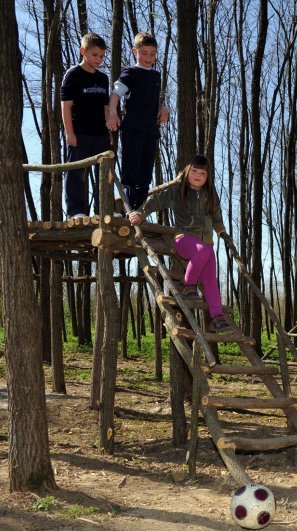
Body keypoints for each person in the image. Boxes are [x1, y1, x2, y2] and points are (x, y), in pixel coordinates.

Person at [128, 155, 231, 334]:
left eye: (202, 173)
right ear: (187, 172)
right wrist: (141, 213)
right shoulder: (178, 191)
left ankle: (217, 318)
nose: (198, 175)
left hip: (206, 243)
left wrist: (222, 232)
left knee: (210, 281)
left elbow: (216, 215)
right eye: (194, 171)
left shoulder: (210, 194)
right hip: (184, 239)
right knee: (202, 252)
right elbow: (156, 201)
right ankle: (189, 285)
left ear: (207, 177)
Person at [106, 32, 170, 210]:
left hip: (151, 130)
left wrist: (162, 107)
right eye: (144, 53)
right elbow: (116, 93)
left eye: (152, 53)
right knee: (131, 172)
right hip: (133, 128)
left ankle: (139, 211)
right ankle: (128, 209)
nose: (148, 57)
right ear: (135, 51)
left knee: (145, 174)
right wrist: (112, 113)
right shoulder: (131, 72)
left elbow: (154, 98)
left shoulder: (156, 75)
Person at [60, 33, 111, 219]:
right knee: (75, 172)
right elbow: (66, 106)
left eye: (102, 56)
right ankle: (76, 212)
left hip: (100, 134)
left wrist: (109, 130)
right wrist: (69, 133)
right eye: (94, 55)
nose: (98, 59)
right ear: (83, 51)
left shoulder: (103, 78)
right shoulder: (73, 74)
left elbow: (106, 107)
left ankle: (103, 210)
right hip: (79, 133)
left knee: (105, 174)